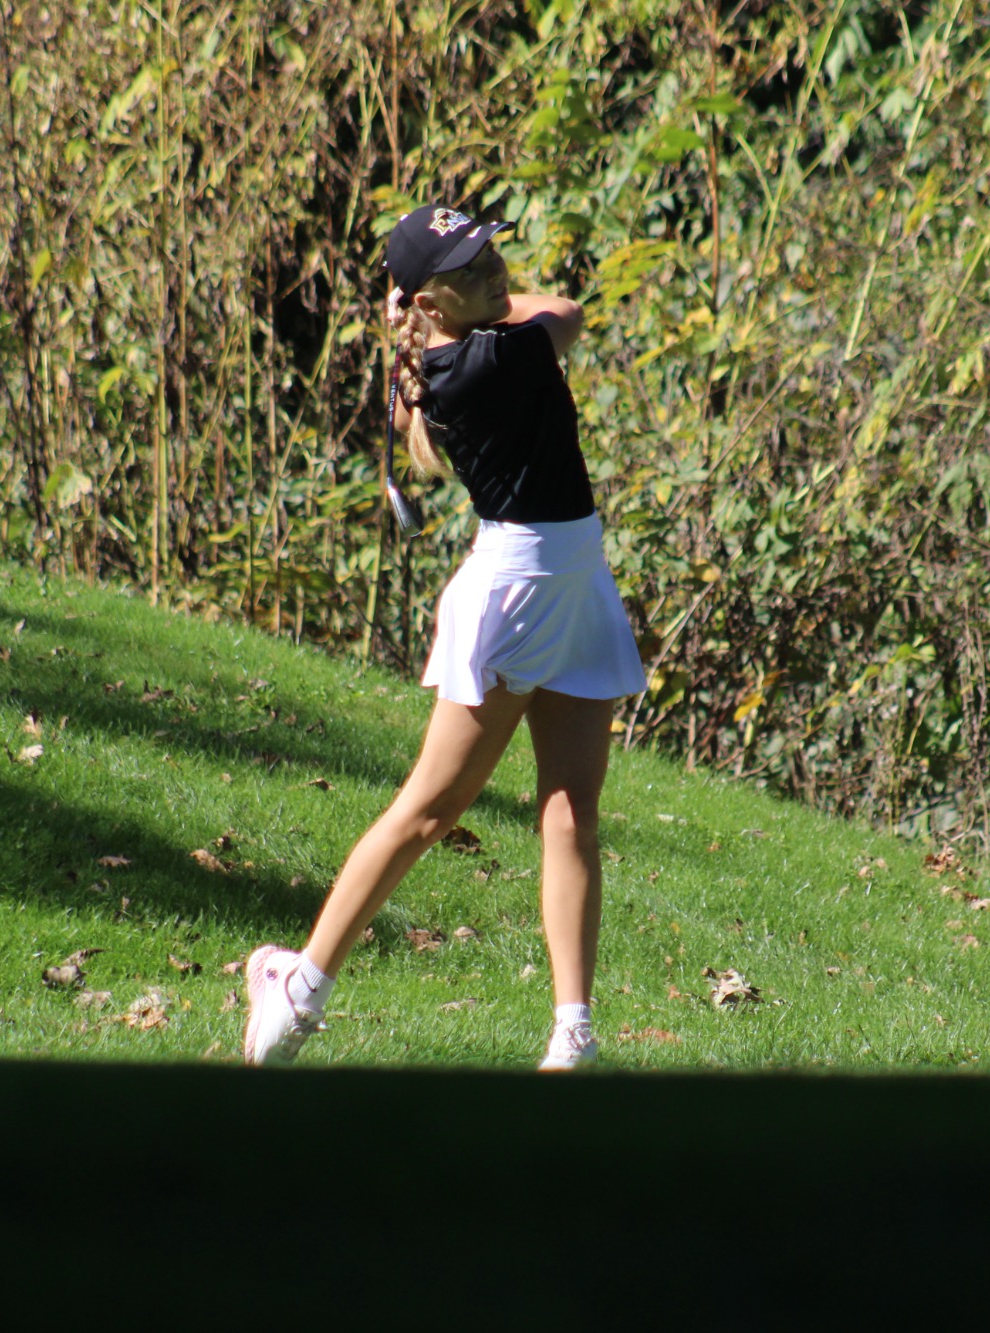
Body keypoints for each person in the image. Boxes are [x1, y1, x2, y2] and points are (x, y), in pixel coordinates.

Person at [242, 203, 646, 1070]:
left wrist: (429, 310)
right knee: (429, 808)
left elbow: (477, 342)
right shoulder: (492, 357)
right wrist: (458, 311)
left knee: (570, 809)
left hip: (566, 578)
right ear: (428, 301)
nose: (497, 274)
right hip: (527, 589)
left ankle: (573, 1035)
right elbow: (567, 310)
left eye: (493, 255)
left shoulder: (439, 364)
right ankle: (297, 990)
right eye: (471, 271)